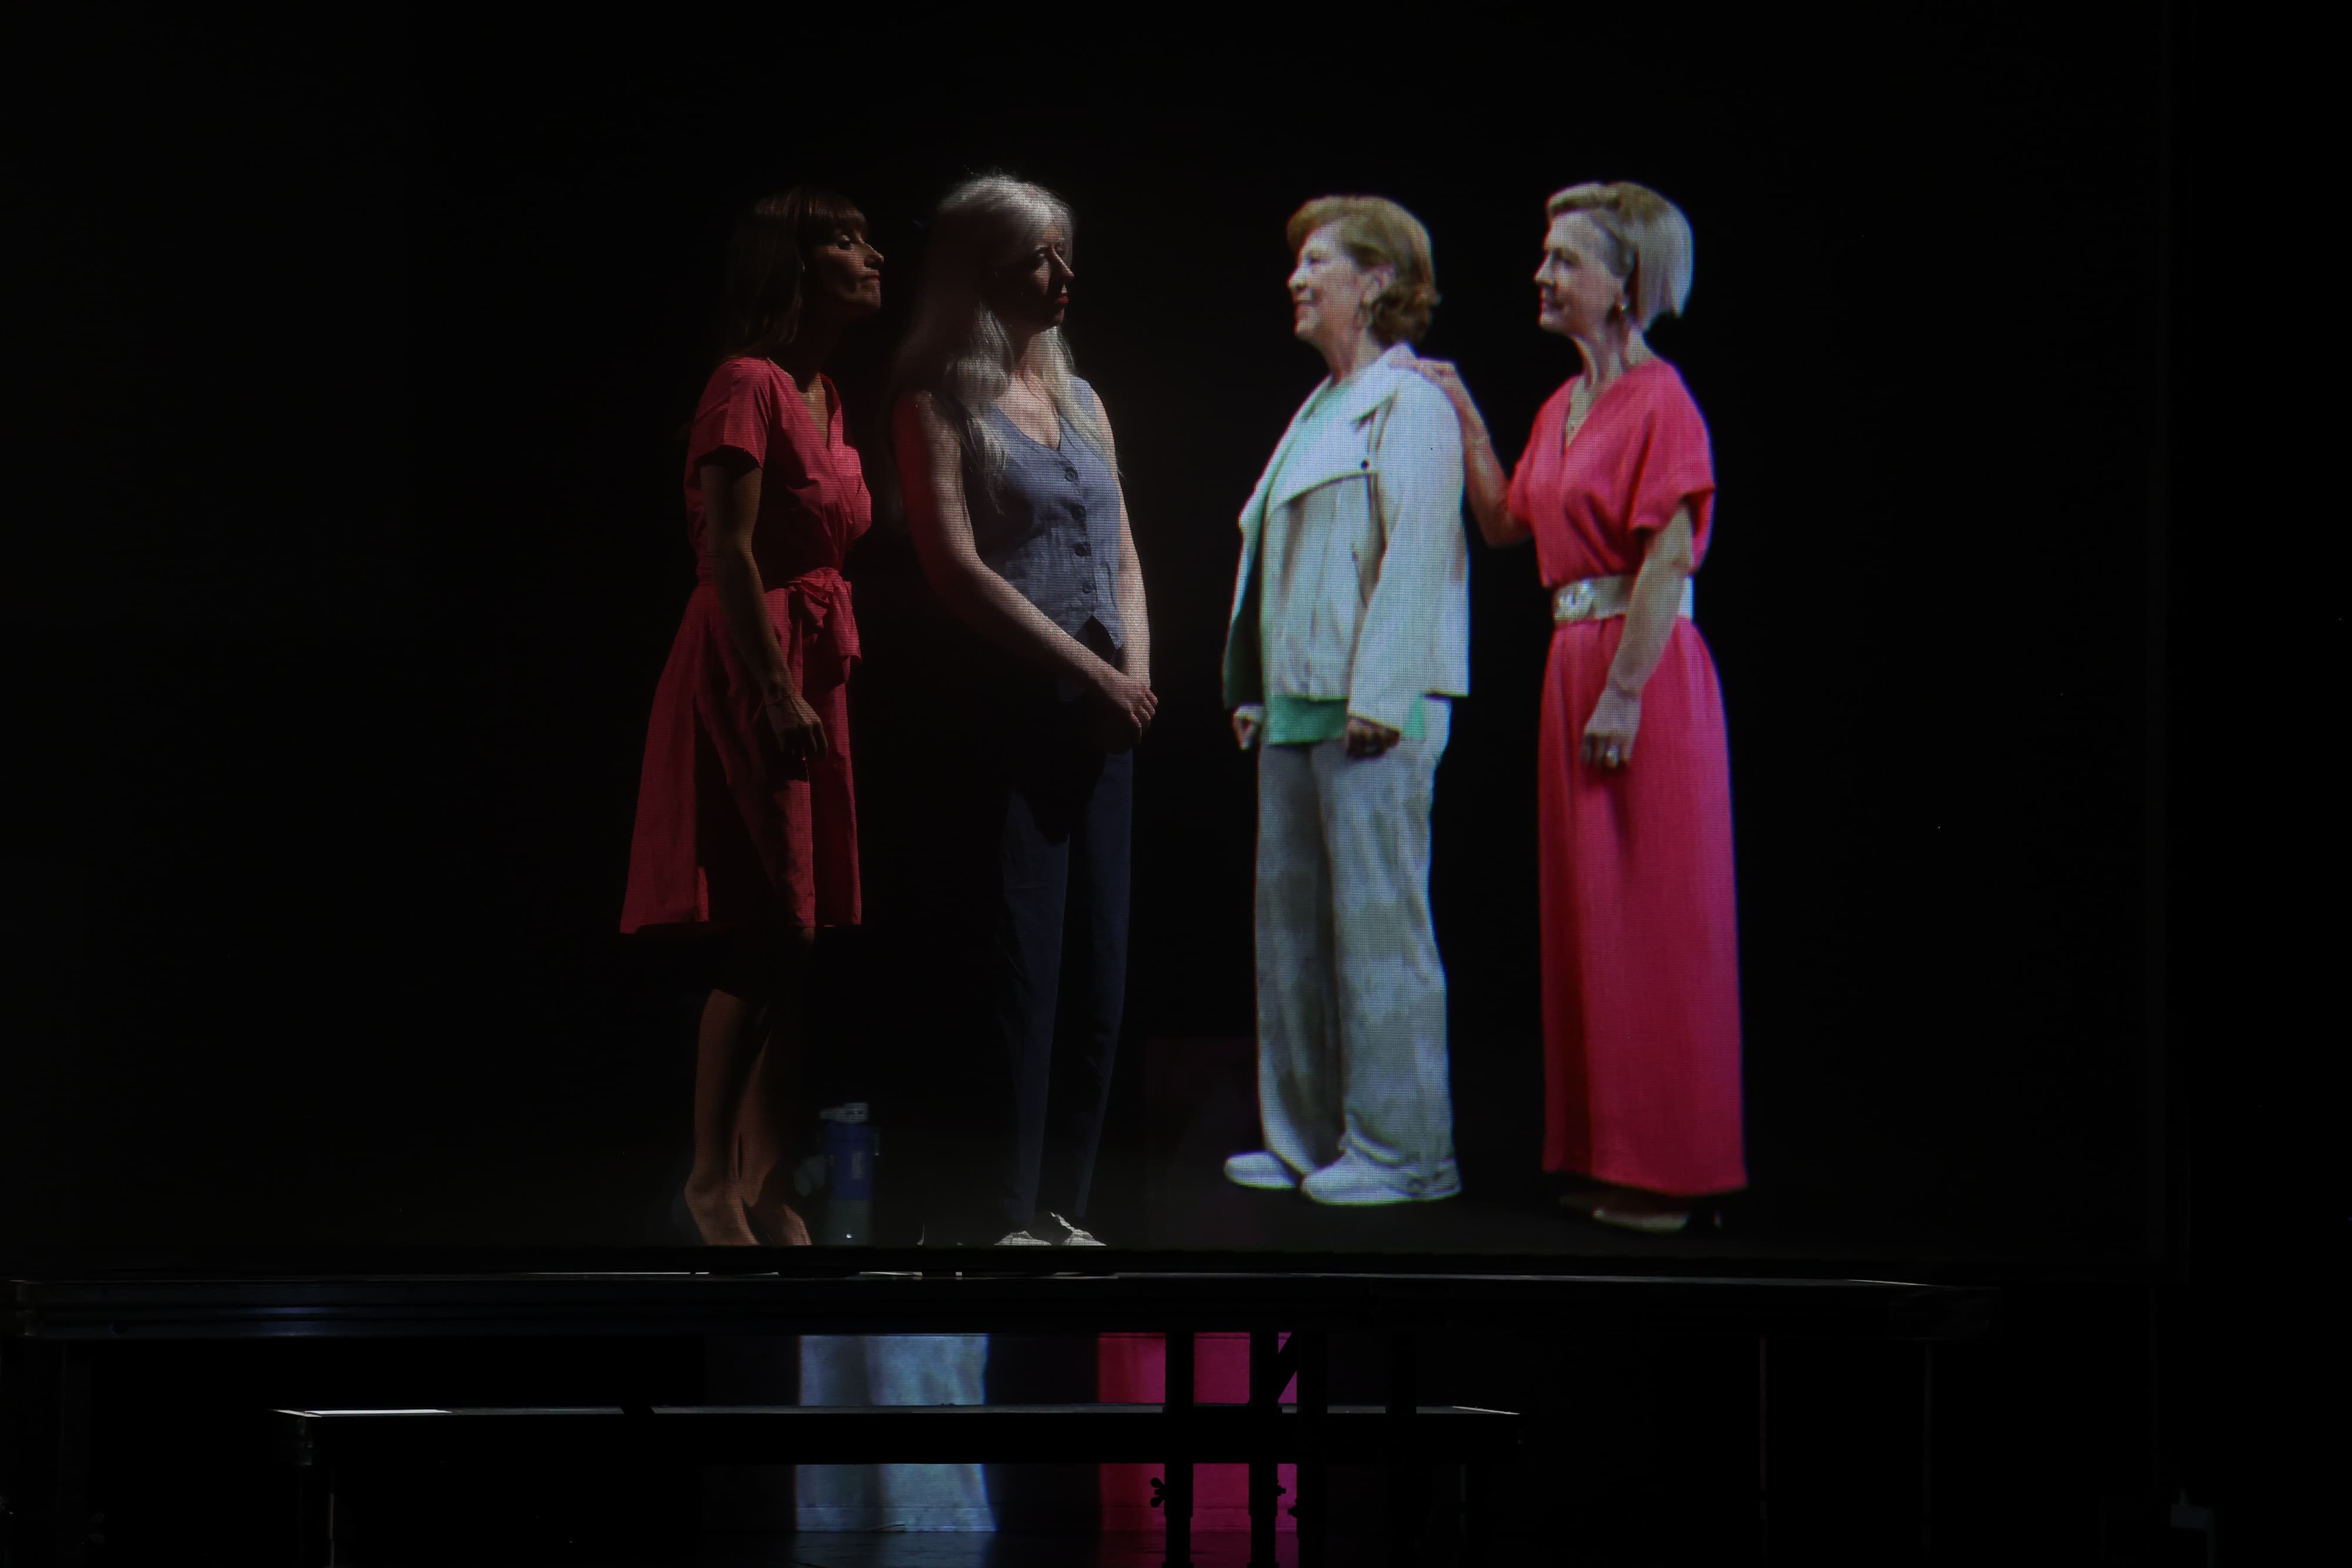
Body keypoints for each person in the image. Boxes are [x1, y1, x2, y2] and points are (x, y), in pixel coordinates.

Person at [1413, 182, 1745, 1233]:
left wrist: (1626, 694)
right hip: (1572, 662)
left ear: (1624, 284)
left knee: (1658, 921)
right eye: (1547, 257)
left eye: (1565, 260)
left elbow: (1668, 561)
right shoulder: (1564, 406)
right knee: (1593, 924)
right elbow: (1510, 523)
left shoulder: (1664, 399)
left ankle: (1672, 1170)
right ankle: (1614, 1157)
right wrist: (1464, 409)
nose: (1543, 276)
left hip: (1640, 673)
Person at [887, 173, 1154, 1247]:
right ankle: (1003, 1213)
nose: (1064, 275)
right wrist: (1091, 679)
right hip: (1016, 710)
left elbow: (1126, 548)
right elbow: (955, 569)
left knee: (1101, 966)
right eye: (1043, 256)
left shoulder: (1084, 401)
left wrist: (1134, 674)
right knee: (1022, 967)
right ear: (983, 271)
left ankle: (1068, 1207)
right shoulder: (935, 400)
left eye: (1064, 253)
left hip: (1104, 716)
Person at [620, 188, 885, 1246]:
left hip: (817, 656)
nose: (872, 255)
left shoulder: (826, 391)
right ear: (793, 267)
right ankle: (709, 1179)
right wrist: (774, 688)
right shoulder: (748, 385)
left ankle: (769, 1174)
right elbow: (724, 550)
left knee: (803, 931)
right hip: (754, 653)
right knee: (777, 922)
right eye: (845, 240)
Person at [1218, 195, 1469, 1206]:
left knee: (1379, 934)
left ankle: (1408, 1153)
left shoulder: (1410, 404)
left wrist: (1383, 691)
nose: (1297, 277)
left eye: (1317, 261)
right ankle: (1307, 1136)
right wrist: (1253, 689)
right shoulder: (1320, 406)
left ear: (1375, 281)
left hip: (1373, 710)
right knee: (1291, 937)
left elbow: (1414, 556)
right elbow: (1275, 558)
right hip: (1296, 709)